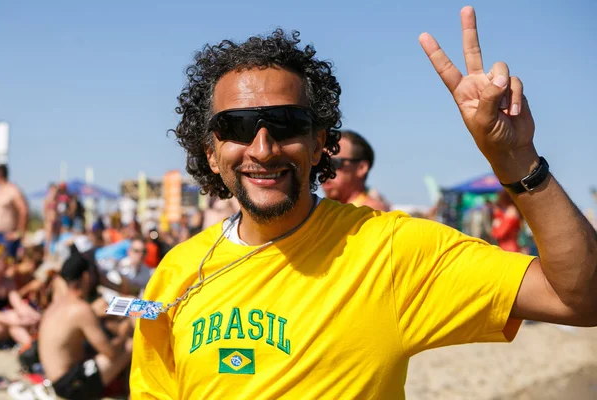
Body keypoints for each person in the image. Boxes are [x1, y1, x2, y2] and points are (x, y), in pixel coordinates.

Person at [131, 7, 597, 399]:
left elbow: (581, 300)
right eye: (236, 127)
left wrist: (515, 158)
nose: (262, 147)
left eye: (286, 123)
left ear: (318, 144)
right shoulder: (176, 273)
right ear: (211, 153)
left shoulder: (390, 251)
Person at [38, 249, 132, 400]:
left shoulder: (57, 304)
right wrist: (124, 334)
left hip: (55, 377)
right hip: (69, 385)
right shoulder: (81, 309)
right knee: (130, 345)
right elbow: (111, 353)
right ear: (86, 276)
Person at [322, 130, 391, 210]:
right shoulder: (327, 212)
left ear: (361, 168)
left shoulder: (372, 214)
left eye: (334, 163)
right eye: (322, 163)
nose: (325, 170)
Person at [0, 165, 29, 259]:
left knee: (7, 267)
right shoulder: (0, 191)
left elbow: (24, 210)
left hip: (7, 237)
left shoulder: (12, 190)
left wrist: (19, 232)